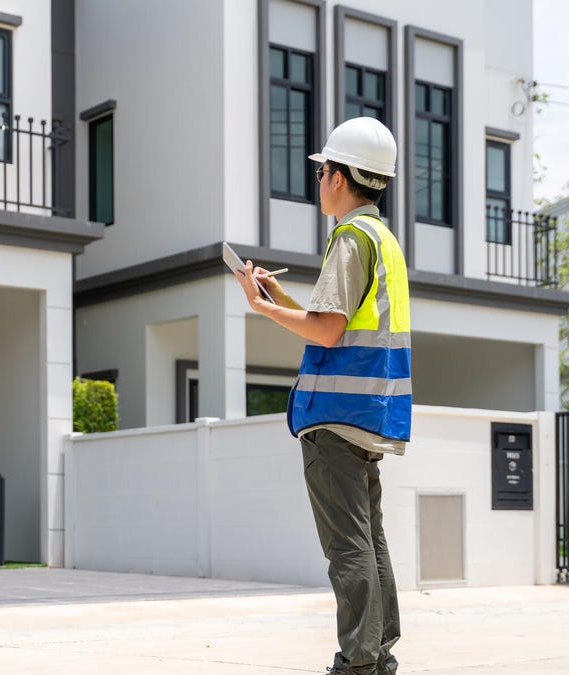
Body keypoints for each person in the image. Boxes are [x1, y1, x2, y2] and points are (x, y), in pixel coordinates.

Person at [233, 116, 410, 675]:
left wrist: (262, 307)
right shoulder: (383, 239)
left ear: (339, 176)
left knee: (347, 547)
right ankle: (378, 655)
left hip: (335, 419)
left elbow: (327, 331)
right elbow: (336, 318)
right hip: (370, 413)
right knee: (369, 540)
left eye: (322, 170)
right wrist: (283, 295)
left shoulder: (349, 238)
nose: (318, 180)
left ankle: (356, 663)